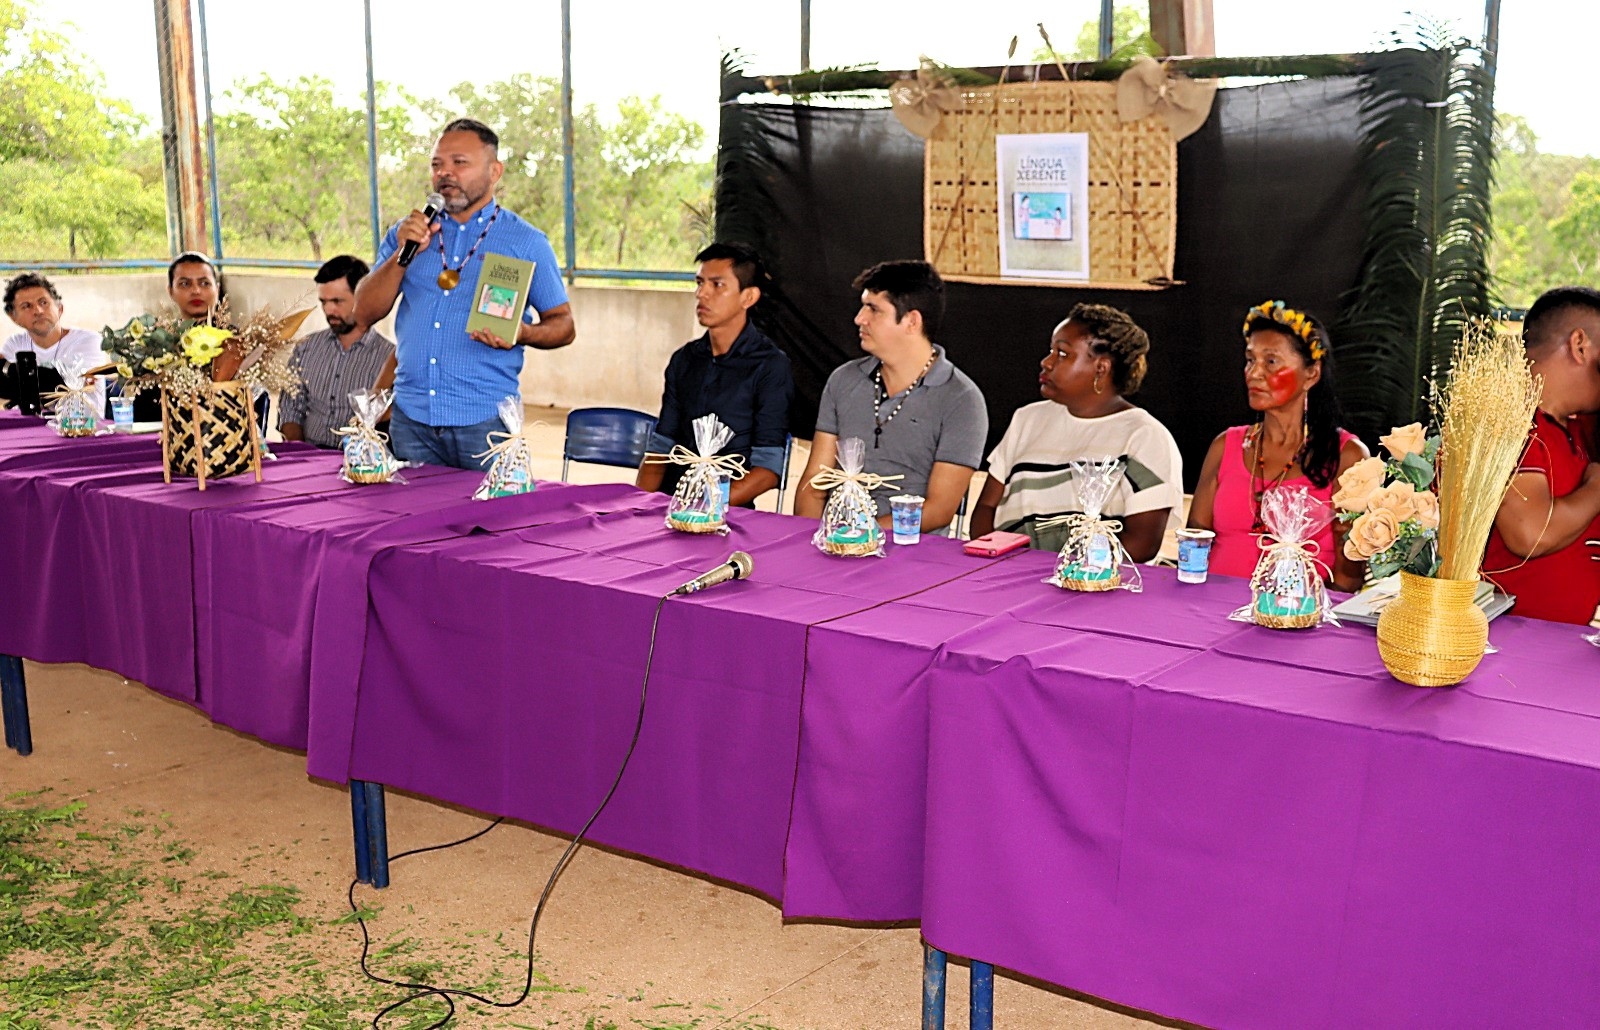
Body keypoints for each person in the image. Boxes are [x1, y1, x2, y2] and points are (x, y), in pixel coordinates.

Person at [356, 117, 575, 470]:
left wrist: (524, 333)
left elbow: (564, 325)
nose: (446, 174)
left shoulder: (526, 242)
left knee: (493, 525)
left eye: (460, 163)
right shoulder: (406, 234)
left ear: (494, 172)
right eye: (437, 164)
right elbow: (363, 312)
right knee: (415, 524)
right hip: (411, 421)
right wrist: (402, 255)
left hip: (486, 424)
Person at [969, 304, 1182, 559]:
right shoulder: (1027, 419)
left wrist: (1069, 573)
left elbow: (1142, 543)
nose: (1046, 363)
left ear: (1100, 369)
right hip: (1008, 574)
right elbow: (986, 507)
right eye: (1051, 351)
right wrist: (995, 557)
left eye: (1062, 354)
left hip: (1094, 586)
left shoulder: (1144, 437)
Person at [1187, 300, 1369, 591]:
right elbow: (1195, 542)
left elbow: (1348, 580)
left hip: (1298, 618)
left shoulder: (1347, 456)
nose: (1254, 373)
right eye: (1250, 360)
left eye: (1270, 362)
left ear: (1312, 373)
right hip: (1212, 614)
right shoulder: (1227, 445)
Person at [794, 260, 987, 533]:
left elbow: (939, 510)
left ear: (911, 321)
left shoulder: (962, 400)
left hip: (911, 553)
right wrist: (810, 541)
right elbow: (814, 485)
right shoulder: (844, 380)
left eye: (873, 309)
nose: (859, 318)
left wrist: (860, 536)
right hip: (835, 542)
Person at [635, 242, 792, 506]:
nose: (702, 294)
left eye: (717, 285)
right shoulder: (684, 360)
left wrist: (704, 507)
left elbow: (768, 470)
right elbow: (659, 451)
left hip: (728, 511)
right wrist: (640, 507)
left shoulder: (770, 366)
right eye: (699, 283)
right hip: (670, 505)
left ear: (748, 297)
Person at [1482, 286, 1600, 624]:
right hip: (1511, 644)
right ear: (1580, 345)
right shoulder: (1506, 418)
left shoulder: (1575, 426)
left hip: (1561, 642)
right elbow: (1530, 532)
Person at [277, 256, 396, 449]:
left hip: (360, 462)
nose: (329, 310)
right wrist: (298, 451)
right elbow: (290, 408)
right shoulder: (306, 348)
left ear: (363, 297)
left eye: (337, 301)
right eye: (323, 302)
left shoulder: (388, 358)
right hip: (308, 454)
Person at [1, 273, 111, 411]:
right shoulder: (14, 344)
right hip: (29, 426)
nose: (38, 311)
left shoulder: (89, 341)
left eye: (43, 302)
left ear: (59, 308)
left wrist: (20, 383)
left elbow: (70, 388)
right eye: (26, 306)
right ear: (13, 317)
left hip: (80, 427)